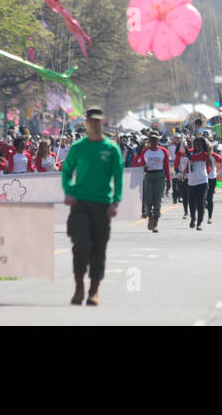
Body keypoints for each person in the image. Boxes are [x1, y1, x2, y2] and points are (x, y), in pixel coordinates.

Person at [60, 108, 123, 307]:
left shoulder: (111, 149)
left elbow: (118, 177)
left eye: (98, 121)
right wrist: (69, 191)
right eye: (91, 121)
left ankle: (94, 290)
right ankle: (79, 287)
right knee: (81, 243)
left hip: (102, 204)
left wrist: (115, 201)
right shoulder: (78, 147)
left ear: (102, 122)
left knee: (98, 248)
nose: (94, 124)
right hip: (80, 203)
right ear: (86, 123)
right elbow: (67, 170)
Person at [132, 131, 171, 231]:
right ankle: (150, 216)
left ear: (158, 140)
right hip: (149, 176)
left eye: (155, 139)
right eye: (151, 139)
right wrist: (142, 167)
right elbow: (140, 163)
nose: (153, 141)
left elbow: (166, 166)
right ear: (149, 141)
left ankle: (155, 223)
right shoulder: (145, 151)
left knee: (157, 200)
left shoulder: (163, 151)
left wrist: (169, 180)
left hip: (160, 176)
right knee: (148, 200)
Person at [185, 137, 209, 230]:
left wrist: (187, 150)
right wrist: (185, 143)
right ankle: (193, 218)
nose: (198, 146)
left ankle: (199, 223)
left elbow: (191, 157)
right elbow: (182, 153)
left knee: (200, 203)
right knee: (191, 203)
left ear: (203, 146)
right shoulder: (190, 151)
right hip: (191, 181)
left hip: (202, 181)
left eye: (200, 144)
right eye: (196, 144)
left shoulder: (205, 154)